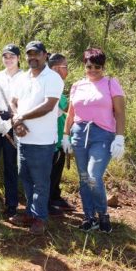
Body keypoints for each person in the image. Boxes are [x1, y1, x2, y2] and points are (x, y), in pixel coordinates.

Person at [63, 48, 126, 233]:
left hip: (103, 134)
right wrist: (66, 135)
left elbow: (120, 112)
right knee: (83, 178)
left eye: (97, 67)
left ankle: (102, 214)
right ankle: (89, 217)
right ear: (85, 65)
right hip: (80, 133)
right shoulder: (77, 85)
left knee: (93, 175)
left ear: (103, 67)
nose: (93, 70)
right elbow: (71, 113)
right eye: (90, 66)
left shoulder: (111, 83)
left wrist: (119, 137)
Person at [8, 41, 64, 236]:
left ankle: (40, 218)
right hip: (22, 139)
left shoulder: (53, 78)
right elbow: (13, 102)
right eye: (29, 54)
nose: (33, 57)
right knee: (26, 177)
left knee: (40, 181)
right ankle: (32, 213)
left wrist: (22, 117)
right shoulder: (22, 78)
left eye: (36, 54)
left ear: (45, 55)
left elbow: (49, 105)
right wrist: (18, 122)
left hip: (42, 141)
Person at [0, 44, 23, 217]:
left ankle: (11, 204)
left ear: (18, 58)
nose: (8, 60)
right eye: (5, 56)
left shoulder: (25, 77)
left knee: (10, 165)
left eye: (12, 56)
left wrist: (12, 121)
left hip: (14, 124)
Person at [47, 53, 74, 214]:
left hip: (60, 137)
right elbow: (67, 108)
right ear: (56, 69)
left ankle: (56, 196)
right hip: (51, 139)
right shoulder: (52, 85)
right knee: (51, 172)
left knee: (58, 170)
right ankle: (48, 202)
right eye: (65, 67)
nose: (67, 70)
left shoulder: (57, 84)